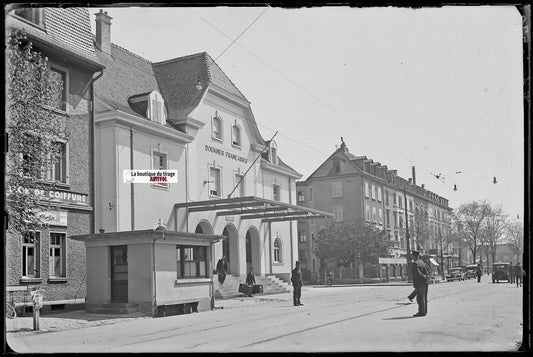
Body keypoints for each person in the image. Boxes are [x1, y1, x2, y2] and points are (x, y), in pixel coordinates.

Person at [411, 250, 429, 317]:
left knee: (420, 298)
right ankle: (424, 311)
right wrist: (426, 277)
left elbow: (418, 274)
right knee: (424, 297)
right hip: (425, 282)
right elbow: (427, 271)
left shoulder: (415, 263)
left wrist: (422, 277)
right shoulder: (422, 262)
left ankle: (421, 312)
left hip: (419, 283)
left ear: (414, 256)